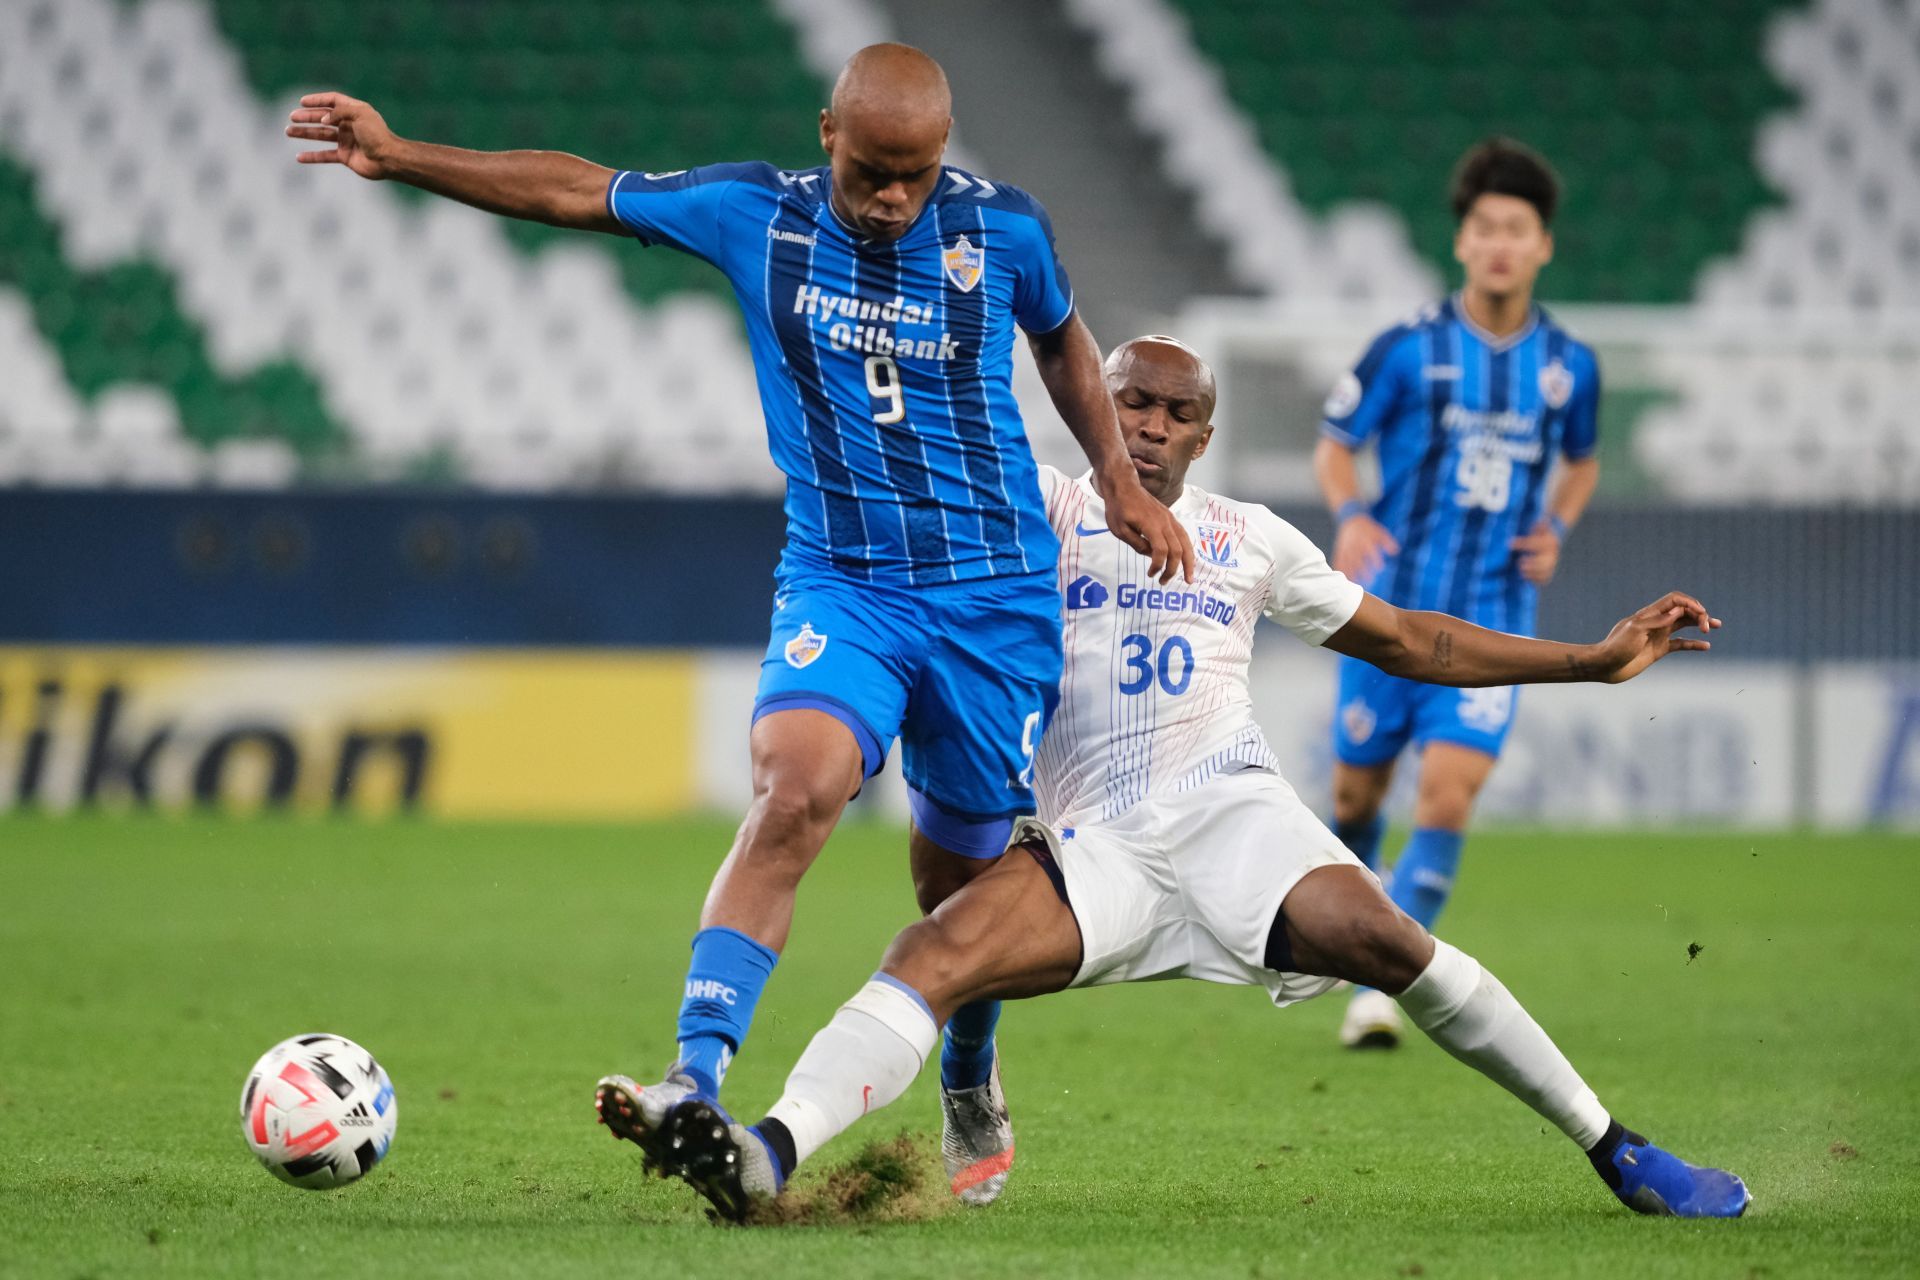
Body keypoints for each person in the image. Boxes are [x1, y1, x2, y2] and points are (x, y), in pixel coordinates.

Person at [287, 43, 1192, 1201]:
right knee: (796, 789)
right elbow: (580, 189)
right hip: (845, 582)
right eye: (871, 171)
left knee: (959, 895)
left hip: (991, 599)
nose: (891, 199)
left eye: (914, 176)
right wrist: (402, 154)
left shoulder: (1001, 230)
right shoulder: (755, 215)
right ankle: (694, 1078)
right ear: (829, 136)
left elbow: (1063, 336)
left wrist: (1113, 473)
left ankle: (969, 1065)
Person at [615, 336, 1748, 1222]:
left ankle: (1618, 1147)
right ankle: (763, 1152)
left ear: (1206, 435)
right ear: (1095, 407)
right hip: (1092, 844)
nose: (1150, 427)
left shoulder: (1252, 537)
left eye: (1176, 412)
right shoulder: (1038, 511)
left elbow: (1412, 640)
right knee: (929, 950)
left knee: (1395, 943)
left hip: (1233, 813)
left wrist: (1590, 660)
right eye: (1131, 403)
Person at [1313, 138, 1602, 1049]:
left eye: (1518, 230)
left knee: (1443, 799)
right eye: (1486, 229)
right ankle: (1344, 934)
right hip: (1387, 622)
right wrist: (1353, 514)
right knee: (1355, 802)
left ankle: (1381, 985)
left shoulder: (1570, 367)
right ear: (1463, 243)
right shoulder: (1408, 349)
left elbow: (1583, 462)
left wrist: (1555, 526)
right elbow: (1334, 440)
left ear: (1543, 245)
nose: (1502, 245)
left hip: (1493, 623)